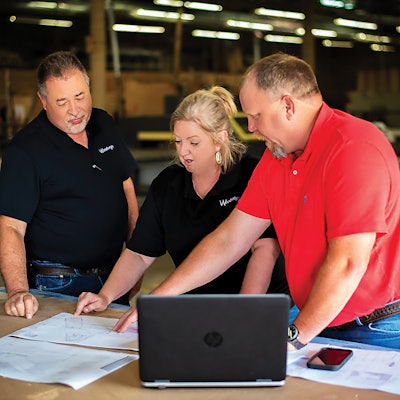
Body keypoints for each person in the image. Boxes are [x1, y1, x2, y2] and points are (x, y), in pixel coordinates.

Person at [111, 53, 400, 351]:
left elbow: (348, 263)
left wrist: (292, 338)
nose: (249, 127)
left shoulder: (353, 149)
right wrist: (159, 298)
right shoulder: (276, 159)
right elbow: (229, 240)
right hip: (319, 322)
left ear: (287, 105)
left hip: (373, 328)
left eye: (256, 116)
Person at [75, 86, 290, 316]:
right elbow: (138, 254)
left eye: (194, 143)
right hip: (194, 308)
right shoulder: (168, 185)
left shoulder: (251, 175)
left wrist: (242, 314)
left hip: (260, 308)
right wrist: (105, 296)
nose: (183, 152)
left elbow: (266, 250)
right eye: (178, 141)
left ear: (220, 138)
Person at [0, 51, 139, 319]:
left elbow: (127, 190)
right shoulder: (25, 150)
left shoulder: (103, 123)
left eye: (80, 96)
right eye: (61, 101)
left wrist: (135, 263)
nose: (75, 111)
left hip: (113, 279)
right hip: (58, 284)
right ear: (43, 101)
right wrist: (18, 291)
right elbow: (10, 227)